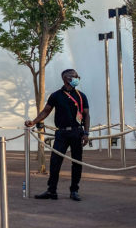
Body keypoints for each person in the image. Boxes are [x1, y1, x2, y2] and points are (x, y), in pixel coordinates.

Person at [25, 68, 90, 201]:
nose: (77, 78)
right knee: (55, 162)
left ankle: (74, 191)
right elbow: (46, 111)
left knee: (77, 162)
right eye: (74, 76)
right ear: (66, 79)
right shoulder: (56, 95)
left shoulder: (81, 96)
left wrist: (86, 133)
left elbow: (86, 115)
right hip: (61, 133)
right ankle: (51, 191)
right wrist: (34, 122)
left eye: (77, 76)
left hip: (77, 132)